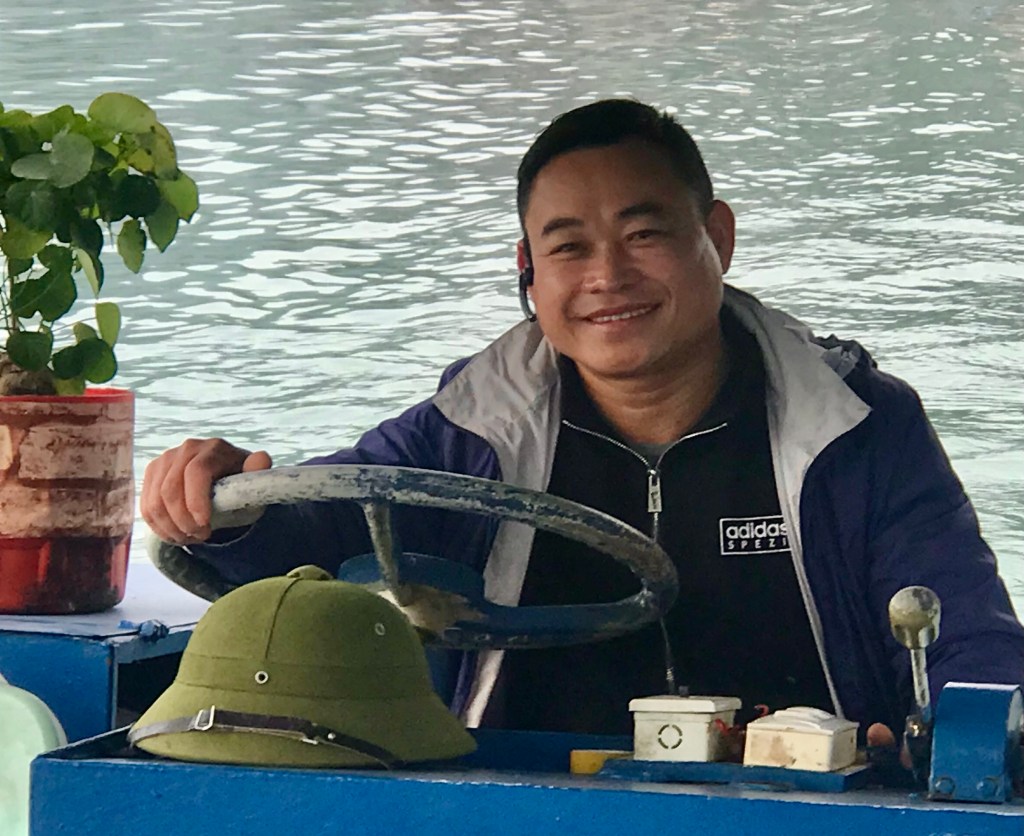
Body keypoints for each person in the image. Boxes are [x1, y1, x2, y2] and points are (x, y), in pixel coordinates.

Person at [142, 99, 1024, 751]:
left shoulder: (857, 427)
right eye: (567, 247)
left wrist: (965, 741)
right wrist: (229, 507)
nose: (606, 275)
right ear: (528, 271)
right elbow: (322, 537)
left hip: (801, 802)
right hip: (521, 798)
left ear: (717, 236)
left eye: (644, 234)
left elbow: (966, 631)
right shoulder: (471, 430)